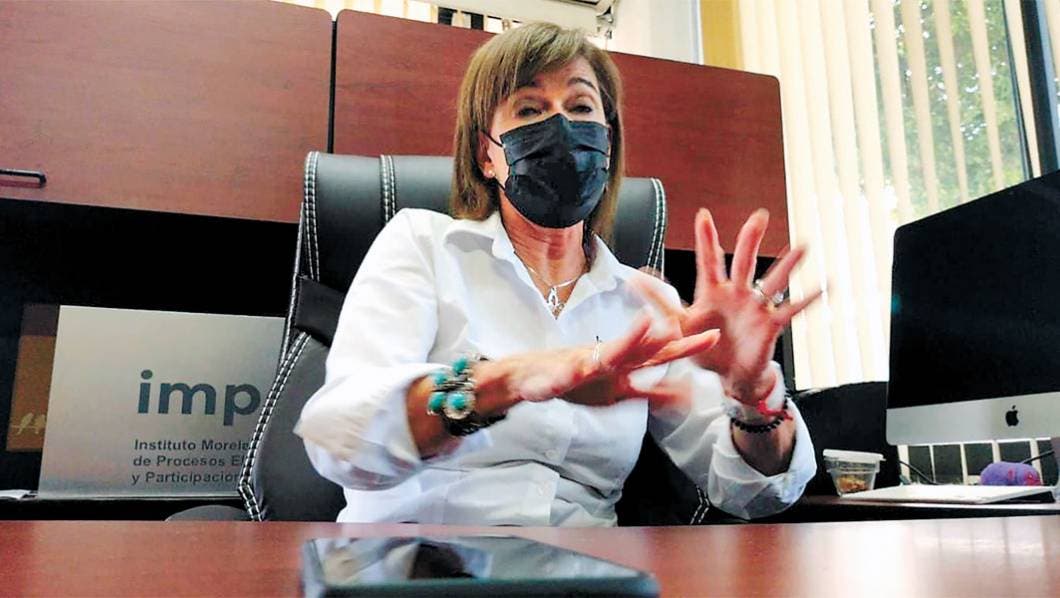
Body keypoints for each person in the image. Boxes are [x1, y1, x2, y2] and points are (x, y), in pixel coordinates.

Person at [295, 22, 822, 526]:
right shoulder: (425, 246)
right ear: (486, 155)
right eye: (529, 109)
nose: (561, 126)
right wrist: (510, 380)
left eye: (581, 106)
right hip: (416, 555)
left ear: (607, 145)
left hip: (582, 564)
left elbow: (754, 491)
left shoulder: (645, 304)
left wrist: (753, 395)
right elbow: (341, 435)